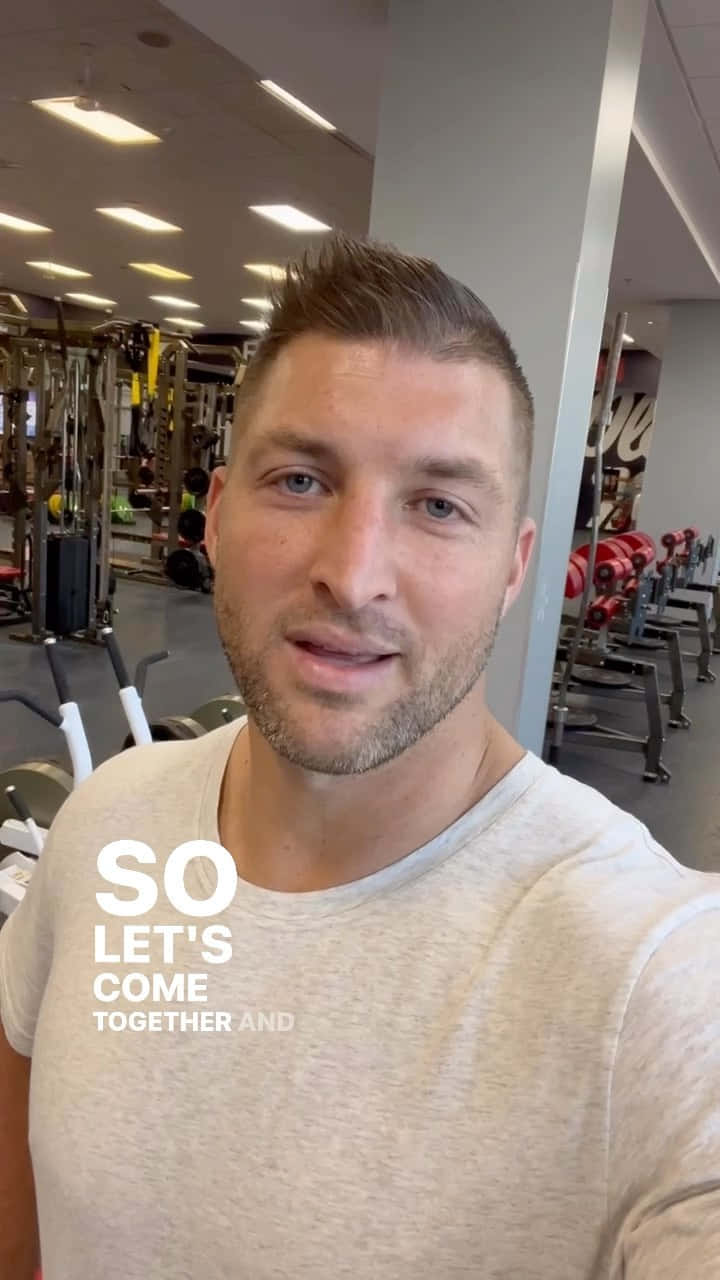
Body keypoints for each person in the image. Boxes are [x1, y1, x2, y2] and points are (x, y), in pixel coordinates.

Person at [1, 236, 719, 1280]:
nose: (353, 572)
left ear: (515, 566)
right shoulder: (106, 821)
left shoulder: (653, 972)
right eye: (300, 480)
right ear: (216, 515)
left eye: (439, 505)